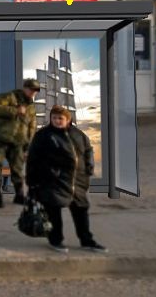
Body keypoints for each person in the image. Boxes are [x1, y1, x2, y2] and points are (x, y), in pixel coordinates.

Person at [27, 105, 106, 253]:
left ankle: (87, 240)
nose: (57, 121)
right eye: (54, 118)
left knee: (81, 211)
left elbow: (88, 150)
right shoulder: (43, 135)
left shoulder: (78, 134)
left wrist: (88, 169)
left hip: (77, 182)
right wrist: (32, 181)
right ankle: (55, 240)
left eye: (60, 118)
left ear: (68, 120)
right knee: (54, 212)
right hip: (53, 181)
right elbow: (33, 158)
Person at [0, 78, 40, 209]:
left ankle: (19, 195)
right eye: (31, 89)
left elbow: (32, 126)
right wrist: (14, 111)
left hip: (18, 142)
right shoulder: (9, 97)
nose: (33, 93)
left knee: (17, 169)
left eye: (35, 91)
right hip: (0, 139)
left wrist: (29, 144)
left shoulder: (31, 107)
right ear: (25, 88)